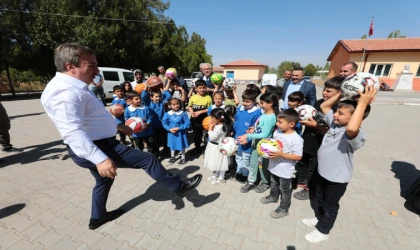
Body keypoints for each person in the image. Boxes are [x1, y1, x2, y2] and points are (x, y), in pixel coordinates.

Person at [41, 43, 201, 230]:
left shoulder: (73, 86)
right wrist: (100, 159)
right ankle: (179, 186)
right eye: (91, 65)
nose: (96, 70)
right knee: (148, 160)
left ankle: (97, 217)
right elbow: (72, 132)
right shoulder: (65, 93)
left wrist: (117, 126)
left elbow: (89, 119)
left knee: (104, 180)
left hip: (96, 144)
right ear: (70, 67)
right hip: (97, 147)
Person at [302, 86, 375, 243]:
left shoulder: (355, 133)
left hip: (337, 178)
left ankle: (323, 231)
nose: (335, 114)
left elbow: (352, 127)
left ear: (356, 117)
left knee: (330, 205)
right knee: (318, 199)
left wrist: (362, 103)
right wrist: (343, 94)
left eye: (340, 113)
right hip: (322, 172)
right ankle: (319, 219)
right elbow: (324, 106)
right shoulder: (335, 124)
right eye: (337, 111)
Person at [294, 76, 344, 201]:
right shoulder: (319, 102)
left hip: (322, 143)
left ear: (339, 93)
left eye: (328, 91)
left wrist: (315, 125)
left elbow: (335, 131)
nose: (324, 93)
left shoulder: (339, 109)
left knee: (314, 166)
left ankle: (310, 189)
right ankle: (301, 180)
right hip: (308, 138)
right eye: (324, 90)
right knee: (302, 161)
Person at [261, 109, 303, 219]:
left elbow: (298, 156)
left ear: (291, 124)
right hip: (273, 166)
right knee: (273, 183)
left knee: (285, 190)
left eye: (280, 122)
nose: (277, 124)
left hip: (285, 170)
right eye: (277, 121)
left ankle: (284, 208)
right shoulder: (277, 133)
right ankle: (273, 196)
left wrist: (281, 154)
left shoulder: (296, 139)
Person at [237, 93, 278, 193]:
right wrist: (253, 129)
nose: (260, 104)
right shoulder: (264, 114)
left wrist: (248, 135)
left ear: (270, 103)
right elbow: (260, 129)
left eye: (262, 102)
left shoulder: (271, 117)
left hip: (264, 147)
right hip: (256, 145)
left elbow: (264, 134)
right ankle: (251, 181)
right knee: (253, 163)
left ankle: (265, 182)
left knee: (262, 165)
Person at [233, 89, 261, 183]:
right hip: (237, 138)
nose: (245, 103)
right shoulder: (240, 108)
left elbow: (256, 129)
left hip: (247, 141)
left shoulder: (257, 112)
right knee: (238, 157)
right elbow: (236, 121)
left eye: (248, 102)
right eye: (244, 101)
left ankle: (245, 175)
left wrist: (248, 139)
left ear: (254, 101)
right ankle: (239, 171)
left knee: (246, 159)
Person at [204, 108, 233, 184]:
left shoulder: (220, 127)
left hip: (217, 147)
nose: (211, 119)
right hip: (214, 146)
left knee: (221, 163)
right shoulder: (219, 125)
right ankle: (216, 175)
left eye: (213, 117)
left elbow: (212, 137)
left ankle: (221, 177)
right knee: (216, 162)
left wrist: (210, 129)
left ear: (219, 118)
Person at [142, 87, 172, 158]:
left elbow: (169, 96)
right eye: (156, 97)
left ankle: (166, 150)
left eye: (159, 97)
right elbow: (143, 96)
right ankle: (156, 152)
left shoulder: (162, 103)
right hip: (152, 126)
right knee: (154, 140)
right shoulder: (148, 104)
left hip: (162, 125)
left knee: (164, 139)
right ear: (151, 97)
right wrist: (146, 88)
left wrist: (164, 89)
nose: (158, 98)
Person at [162, 98, 190, 165]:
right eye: (173, 104)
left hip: (181, 133)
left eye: (177, 104)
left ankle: (183, 158)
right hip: (171, 133)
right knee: (172, 145)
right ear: (169, 106)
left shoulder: (183, 113)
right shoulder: (167, 114)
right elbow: (164, 123)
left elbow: (187, 123)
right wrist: (169, 129)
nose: (176, 106)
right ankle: (172, 157)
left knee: (181, 145)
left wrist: (179, 128)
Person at [187, 80, 213, 155]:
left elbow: (210, 109)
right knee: (196, 135)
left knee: (205, 134)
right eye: (200, 88)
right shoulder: (193, 97)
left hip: (205, 119)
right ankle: (197, 147)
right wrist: (192, 112)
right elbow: (189, 106)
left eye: (204, 88)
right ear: (196, 89)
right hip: (195, 120)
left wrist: (200, 112)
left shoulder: (208, 97)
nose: (202, 90)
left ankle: (206, 148)